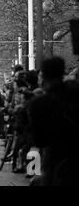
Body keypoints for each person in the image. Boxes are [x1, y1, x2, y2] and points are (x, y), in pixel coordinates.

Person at [29, 57, 79, 186]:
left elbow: (38, 140)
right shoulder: (74, 94)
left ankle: (31, 171)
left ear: (44, 76)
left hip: (56, 161)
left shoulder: (39, 103)